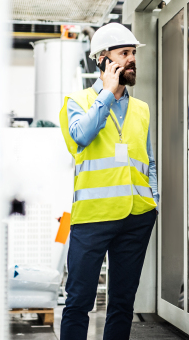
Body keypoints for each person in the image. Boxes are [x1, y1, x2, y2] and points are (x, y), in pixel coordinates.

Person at [58, 23, 158, 340]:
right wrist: (106, 96)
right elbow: (81, 136)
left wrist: (155, 199)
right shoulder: (77, 102)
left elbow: (149, 159)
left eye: (133, 53)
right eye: (124, 53)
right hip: (93, 217)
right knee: (78, 302)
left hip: (137, 217)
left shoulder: (141, 109)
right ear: (103, 59)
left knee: (122, 304)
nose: (131, 59)